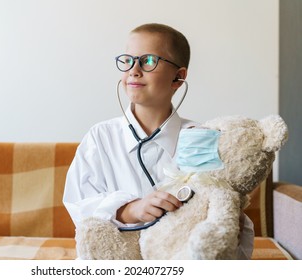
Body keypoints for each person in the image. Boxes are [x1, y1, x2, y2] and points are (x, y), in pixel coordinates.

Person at [63, 23, 254, 259]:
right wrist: (130, 210)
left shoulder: (200, 139)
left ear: (178, 77)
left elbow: (219, 210)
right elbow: (79, 205)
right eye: (128, 60)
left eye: (148, 61)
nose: (134, 70)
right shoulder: (101, 137)